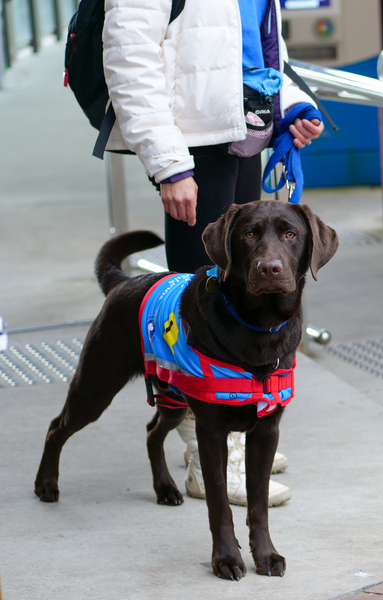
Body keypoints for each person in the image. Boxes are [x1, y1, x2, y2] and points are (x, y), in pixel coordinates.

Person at [101, 0, 323, 506]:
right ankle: (207, 458)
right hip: (193, 141)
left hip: (243, 130)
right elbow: (129, 54)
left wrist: (290, 105)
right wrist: (169, 164)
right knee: (197, 308)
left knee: (237, 303)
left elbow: (257, 51)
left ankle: (233, 435)